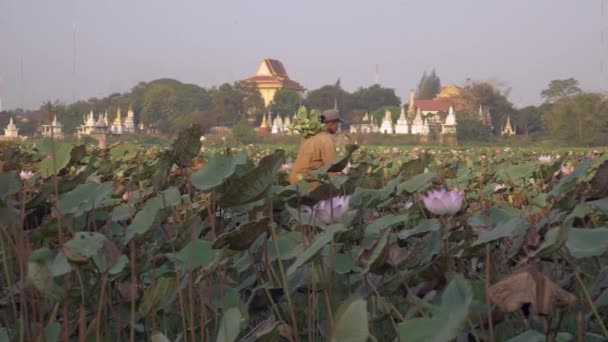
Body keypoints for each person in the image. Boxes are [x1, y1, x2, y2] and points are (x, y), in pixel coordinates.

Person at [289, 109, 341, 184]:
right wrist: (340, 187)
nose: (337, 126)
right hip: (307, 182)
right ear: (331, 123)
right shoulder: (326, 139)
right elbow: (332, 168)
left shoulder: (311, 137)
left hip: (296, 181)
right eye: (337, 123)